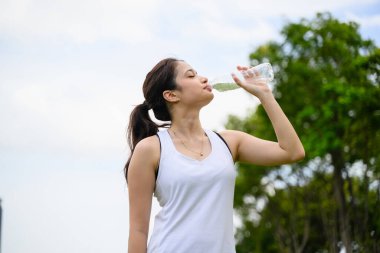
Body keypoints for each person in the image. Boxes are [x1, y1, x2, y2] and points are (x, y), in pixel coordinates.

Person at [125, 57, 305, 253]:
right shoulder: (150, 149)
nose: (203, 78)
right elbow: (138, 231)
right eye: (191, 75)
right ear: (171, 95)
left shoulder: (229, 142)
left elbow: (292, 152)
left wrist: (265, 95)